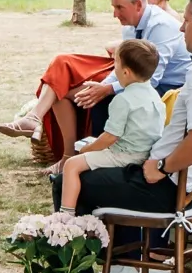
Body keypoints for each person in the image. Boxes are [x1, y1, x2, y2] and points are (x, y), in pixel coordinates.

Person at [67, 0, 192, 216]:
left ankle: (69, 237)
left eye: (186, 21)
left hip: (166, 186)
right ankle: (120, 238)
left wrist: (162, 167)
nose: (181, 28)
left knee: (68, 178)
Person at [1, 0, 187, 161]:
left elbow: (151, 78)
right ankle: (46, 132)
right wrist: (101, 87)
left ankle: (77, 154)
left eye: (119, 7)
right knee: (62, 68)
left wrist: (107, 89)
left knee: (94, 95)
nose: (114, 14)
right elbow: (122, 64)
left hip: (163, 84)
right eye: (113, 7)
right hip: (132, 74)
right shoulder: (130, 24)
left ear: (138, 5)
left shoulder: (161, 26)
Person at [52, 40, 164, 213]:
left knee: (71, 165)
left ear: (126, 72)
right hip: (145, 154)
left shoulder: (123, 99)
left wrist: (87, 150)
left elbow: (110, 137)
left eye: (116, 63)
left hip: (123, 156)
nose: (114, 67)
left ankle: (66, 214)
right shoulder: (155, 96)